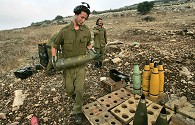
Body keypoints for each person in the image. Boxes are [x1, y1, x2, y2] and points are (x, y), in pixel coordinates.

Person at [51, 2, 91, 124]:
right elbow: (55, 45)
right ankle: (72, 93)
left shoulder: (86, 31)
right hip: (67, 67)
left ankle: (77, 111)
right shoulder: (64, 31)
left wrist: (92, 50)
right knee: (69, 90)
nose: (83, 20)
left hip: (80, 66)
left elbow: (88, 44)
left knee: (80, 90)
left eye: (85, 18)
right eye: (82, 17)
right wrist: (54, 58)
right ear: (76, 15)